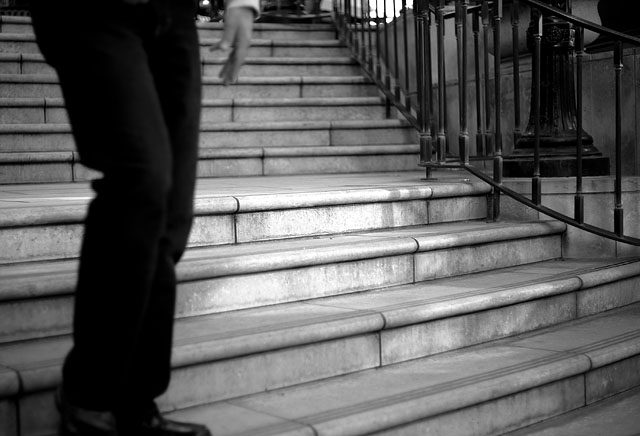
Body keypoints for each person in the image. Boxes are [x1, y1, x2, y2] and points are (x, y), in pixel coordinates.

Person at [28, 0, 258, 435]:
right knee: (141, 179)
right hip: (91, 13)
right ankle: (89, 396)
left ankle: (136, 402)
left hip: (173, 14)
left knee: (171, 214)